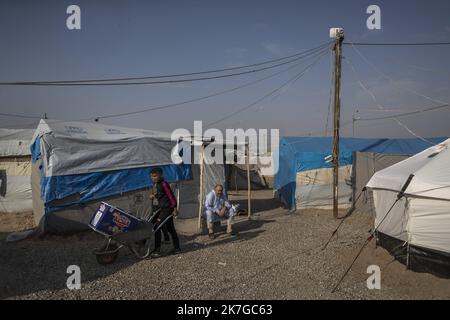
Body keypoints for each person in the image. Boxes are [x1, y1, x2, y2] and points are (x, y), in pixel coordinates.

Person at [149, 167, 181, 258]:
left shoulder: (164, 184)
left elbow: (171, 196)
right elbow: (162, 195)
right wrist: (154, 196)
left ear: (160, 175)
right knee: (170, 228)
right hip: (162, 208)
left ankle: (157, 251)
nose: (153, 178)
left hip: (167, 209)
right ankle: (177, 248)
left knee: (156, 227)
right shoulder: (157, 184)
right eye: (152, 176)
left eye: (155, 176)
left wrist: (175, 208)